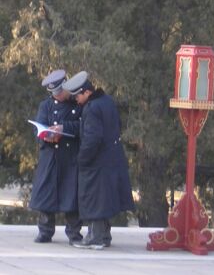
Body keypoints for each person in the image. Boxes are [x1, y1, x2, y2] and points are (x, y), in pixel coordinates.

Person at [62, 71, 135, 249]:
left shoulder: (92, 108)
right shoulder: (107, 101)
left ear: (86, 92)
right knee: (104, 199)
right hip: (112, 158)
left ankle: (95, 237)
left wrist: (82, 159)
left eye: (78, 95)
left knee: (94, 199)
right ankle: (104, 236)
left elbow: (92, 138)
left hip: (96, 162)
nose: (77, 100)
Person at [29, 69, 83, 245]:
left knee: (71, 195)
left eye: (61, 92)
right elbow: (38, 127)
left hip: (69, 156)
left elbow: (82, 126)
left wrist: (63, 128)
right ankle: (45, 231)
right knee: (46, 194)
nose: (59, 96)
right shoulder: (45, 105)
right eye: (55, 93)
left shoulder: (77, 104)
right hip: (50, 155)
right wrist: (47, 134)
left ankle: (74, 233)